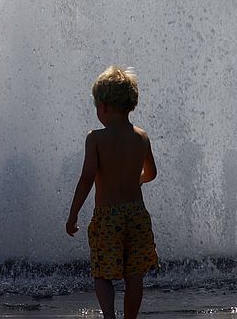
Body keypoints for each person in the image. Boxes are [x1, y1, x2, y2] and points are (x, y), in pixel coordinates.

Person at [66, 66, 158, 319]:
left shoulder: (96, 138)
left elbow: (87, 178)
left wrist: (73, 213)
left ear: (103, 107)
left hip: (108, 217)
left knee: (102, 273)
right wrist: (134, 180)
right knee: (134, 274)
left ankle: (109, 316)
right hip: (137, 215)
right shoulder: (142, 137)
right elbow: (151, 173)